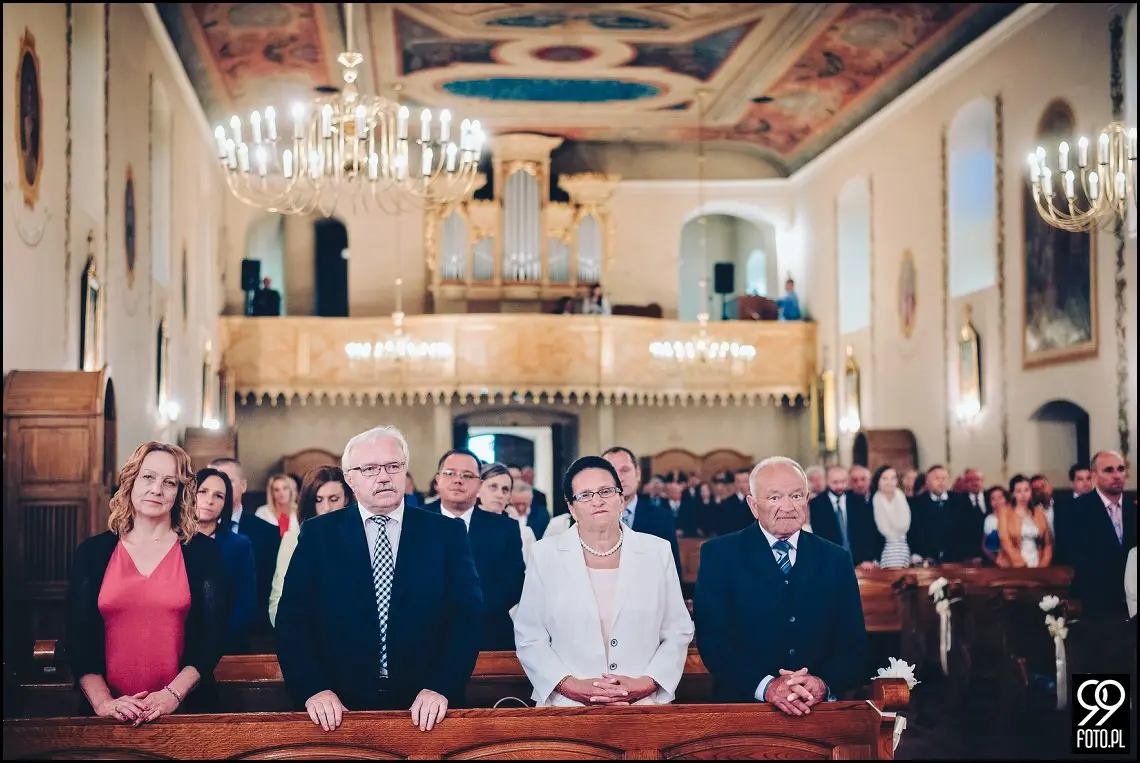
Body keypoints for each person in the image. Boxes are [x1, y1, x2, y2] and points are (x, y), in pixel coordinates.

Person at [275, 426, 482, 731]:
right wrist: (313, 688)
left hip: (427, 704)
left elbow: (467, 618)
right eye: (370, 468)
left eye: (393, 466)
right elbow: (292, 621)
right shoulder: (319, 534)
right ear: (350, 478)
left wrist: (442, 686)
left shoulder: (446, 533)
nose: (383, 476)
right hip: (338, 705)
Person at [515, 456, 694, 707]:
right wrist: (572, 686)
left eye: (606, 491)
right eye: (585, 495)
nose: (597, 500)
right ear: (571, 508)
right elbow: (529, 636)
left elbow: (678, 630)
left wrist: (645, 683)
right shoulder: (545, 554)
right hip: (567, 706)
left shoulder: (656, 552)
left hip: (642, 706)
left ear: (621, 499)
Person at [67, 442, 225, 723]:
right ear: (130, 481)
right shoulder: (92, 553)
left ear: (179, 493)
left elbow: (212, 639)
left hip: (184, 710)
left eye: (169, 482)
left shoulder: (202, 553)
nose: (157, 489)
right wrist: (105, 704)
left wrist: (171, 695)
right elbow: (79, 642)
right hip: (108, 715)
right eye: (148, 477)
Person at [695, 457, 867, 711]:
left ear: (807, 500)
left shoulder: (836, 558)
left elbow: (854, 643)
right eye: (774, 498)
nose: (787, 507)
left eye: (796, 496)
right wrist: (766, 687)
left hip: (819, 709)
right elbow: (713, 641)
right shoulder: (719, 555)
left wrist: (822, 683)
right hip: (744, 706)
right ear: (753, 505)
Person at [423, 449, 526, 651]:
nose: (458, 480)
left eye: (467, 475)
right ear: (438, 480)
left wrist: (468, 613)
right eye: (450, 473)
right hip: (426, 636)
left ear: (479, 484)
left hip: (488, 635)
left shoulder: (504, 528)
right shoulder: (415, 522)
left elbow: (514, 584)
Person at [268, 466, 355, 627]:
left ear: (346, 499)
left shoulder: (359, 537)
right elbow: (277, 601)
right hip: (306, 635)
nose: (326, 507)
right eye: (318, 500)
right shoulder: (293, 538)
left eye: (334, 499)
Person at [1054, 450, 1135, 616]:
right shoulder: (1074, 509)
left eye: (1120, 469)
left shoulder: (1133, 508)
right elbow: (1074, 553)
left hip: (1132, 599)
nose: (1117, 475)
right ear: (1094, 476)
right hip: (1094, 600)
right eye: (1108, 470)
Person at [208, 458, 280, 637]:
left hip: (253, 634)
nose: (220, 488)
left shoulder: (268, 532)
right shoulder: (190, 532)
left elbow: (270, 587)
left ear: (243, 486)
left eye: (227, 481)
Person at [195, 467, 258, 654]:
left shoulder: (239, 545)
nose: (209, 500)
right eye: (203, 492)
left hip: (225, 647)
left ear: (225, 504)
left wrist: (215, 647)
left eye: (219, 496)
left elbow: (245, 604)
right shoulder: (171, 540)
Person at [602, 447, 681, 574]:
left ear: (637, 473)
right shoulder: (592, 518)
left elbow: (672, 572)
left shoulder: (661, 518)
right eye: (612, 471)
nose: (619, 478)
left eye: (625, 470)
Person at [808, 466, 883, 567]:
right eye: (835, 482)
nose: (839, 486)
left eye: (843, 482)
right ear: (827, 481)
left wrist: (868, 558)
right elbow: (819, 537)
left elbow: (867, 532)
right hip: (830, 562)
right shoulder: (817, 504)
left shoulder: (858, 501)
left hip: (859, 563)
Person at [479, 463, 536, 563]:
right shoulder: (463, 526)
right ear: (478, 489)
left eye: (505, 490)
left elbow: (529, 574)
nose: (499, 495)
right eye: (493, 487)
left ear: (509, 496)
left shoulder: (523, 533)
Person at [997, 475, 1052, 568]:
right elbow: (1005, 540)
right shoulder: (1005, 512)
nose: (1023, 495)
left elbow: (1047, 543)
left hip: (1036, 561)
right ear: (1013, 493)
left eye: (1026, 490)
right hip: (1012, 564)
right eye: (1018, 491)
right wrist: (1019, 562)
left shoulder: (1039, 512)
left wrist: (1044, 563)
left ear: (1031, 492)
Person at [870, 465, 916, 569]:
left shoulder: (904, 499)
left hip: (904, 550)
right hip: (883, 552)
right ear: (878, 480)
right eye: (885, 478)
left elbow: (914, 528)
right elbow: (869, 533)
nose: (889, 482)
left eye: (893, 478)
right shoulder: (872, 502)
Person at [256, 473, 299, 537]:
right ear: (272, 493)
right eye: (276, 490)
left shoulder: (300, 510)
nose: (281, 493)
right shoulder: (262, 512)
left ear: (290, 490)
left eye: (285, 488)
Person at [982, 486, 1011, 565]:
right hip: (994, 561)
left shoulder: (1014, 516)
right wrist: (996, 560)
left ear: (1006, 499)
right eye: (993, 498)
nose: (997, 501)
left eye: (1000, 497)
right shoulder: (988, 519)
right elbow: (985, 546)